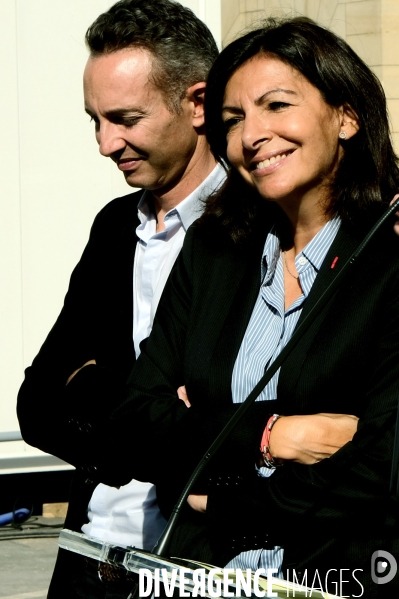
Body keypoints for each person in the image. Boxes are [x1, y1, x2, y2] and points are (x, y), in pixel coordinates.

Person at [102, 17, 399, 596]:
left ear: (346, 116)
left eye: (276, 105)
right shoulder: (216, 252)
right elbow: (135, 422)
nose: (252, 134)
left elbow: (379, 467)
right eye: (233, 120)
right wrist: (270, 434)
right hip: (197, 579)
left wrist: (222, 493)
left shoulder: (388, 258)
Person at [17, 1, 223, 597]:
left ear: (199, 103)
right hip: (90, 557)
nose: (107, 144)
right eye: (95, 120)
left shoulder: (255, 226)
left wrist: (97, 391)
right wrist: (151, 420)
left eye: (126, 118)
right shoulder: (115, 227)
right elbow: (37, 404)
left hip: (195, 567)